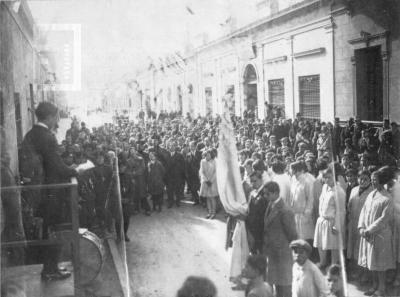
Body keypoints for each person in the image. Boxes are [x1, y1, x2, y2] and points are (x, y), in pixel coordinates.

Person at [20, 102, 77, 281]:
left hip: (38, 193)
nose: (57, 120)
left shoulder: (31, 134)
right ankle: (51, 270)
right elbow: (56, 166)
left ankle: (50, 269)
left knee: (47, 231)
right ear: (50, 117)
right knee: (54, 231)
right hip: (51, 193)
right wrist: (75, 170)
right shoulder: (47, 136)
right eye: (56, 116)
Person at [358, 169, 395, 297]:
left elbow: (384, 219)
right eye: (372, 179)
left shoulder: (387, 198)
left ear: (382, 181)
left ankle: (381, 289)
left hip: (380, 235)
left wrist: (369, 230)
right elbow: (363, 211)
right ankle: (374, 286)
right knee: (371, 262)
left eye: (375, 180)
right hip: (368, 234)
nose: (373, 182)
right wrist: (361, 227)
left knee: (380, 264)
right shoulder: (370, 194)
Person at [263, 181, 297, 297]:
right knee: (274, 283)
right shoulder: (271, 205)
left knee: (284, 287)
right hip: (272, 252)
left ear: (275, 193)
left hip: (282, 254)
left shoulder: (285, 210)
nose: (265, 196)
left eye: (267, 194)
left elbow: (292, 234)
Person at [313, 166, 346, 270]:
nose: (327, 180)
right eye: (325, 177)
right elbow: (321, 203)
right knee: (321, 244)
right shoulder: (324, 188)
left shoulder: (339, 191)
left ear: (334, 177)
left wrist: (337, 226)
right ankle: (323, 262)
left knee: (333, 246)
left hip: (332, 221)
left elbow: (341, 211)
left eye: (329, 177)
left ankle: (333, 265)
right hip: (322, 219)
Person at [346, 170, 372, 280]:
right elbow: (349, 206)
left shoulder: (372, 192)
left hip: (364, 225)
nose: (362, 181)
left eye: (365, 179)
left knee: (363, 249)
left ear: (370, 180)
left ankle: (365, 274)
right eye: (360, 178)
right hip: (353, 223)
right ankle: (356, 271)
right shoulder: (354, 190)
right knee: (352, 247)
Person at [247, 171, 269, 254]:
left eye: (255, 181)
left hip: (260, 232)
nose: (253, 183)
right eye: (251, 181)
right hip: (252, 230)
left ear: (261, 180)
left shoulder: (266, 194)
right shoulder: (252, 192)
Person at [199, 149, 218, 219]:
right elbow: (202, 171)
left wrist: (211, 181)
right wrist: (206, 180)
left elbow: (216, 172)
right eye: (206, 155)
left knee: (212, 197)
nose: (207, 156)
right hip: (206, 182)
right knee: (207, 197)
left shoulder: (215, 161)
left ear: (211, 155)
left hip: (212, 182)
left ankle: (213, 212)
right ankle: (209, 212)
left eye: (208, 155)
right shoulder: (202, 161)